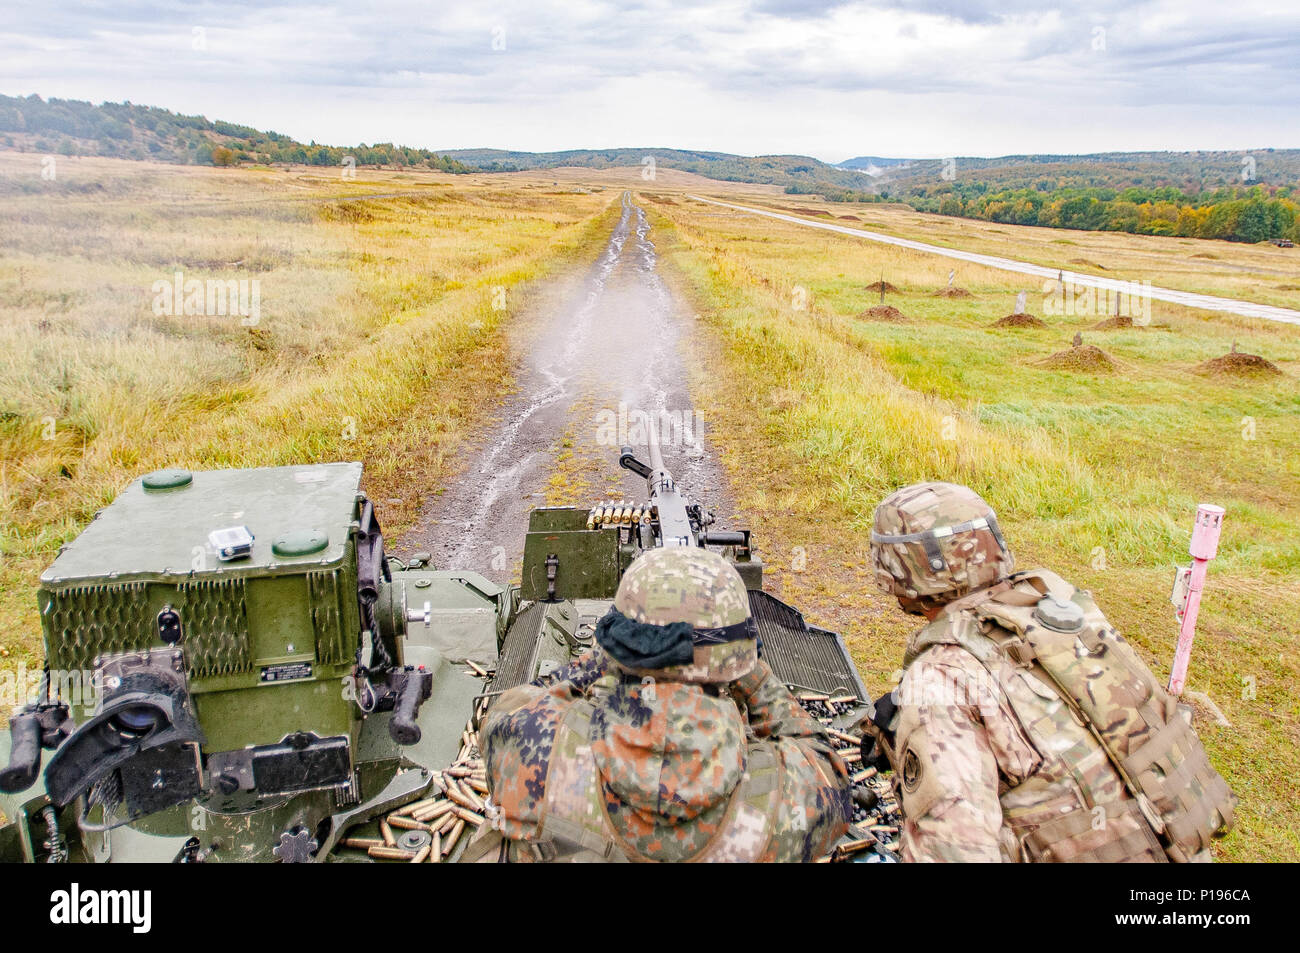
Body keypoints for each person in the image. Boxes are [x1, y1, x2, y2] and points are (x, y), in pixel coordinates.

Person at [866, 481, 1235, 863]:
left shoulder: (938, 680)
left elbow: (954, 852)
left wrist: (928, 714)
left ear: (898, 573)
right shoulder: (1059, 608)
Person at [464, 546, 850, 862]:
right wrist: (751, 672)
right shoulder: (789, 793)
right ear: (731, 662)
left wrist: (600, 658)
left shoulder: (532, 745)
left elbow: (514, 705)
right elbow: (828, 766)